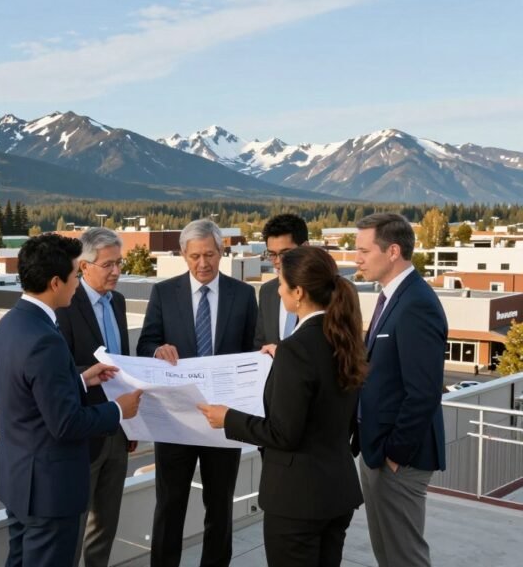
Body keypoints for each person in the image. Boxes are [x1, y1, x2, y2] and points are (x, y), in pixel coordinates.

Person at [198, 246, 367, 566]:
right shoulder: (343, 340)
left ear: (299, 292)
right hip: (337, 490)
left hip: (297, 500)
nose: (277, 289)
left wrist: (227, 418)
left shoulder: (297, 350)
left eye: (281, 282)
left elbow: (283, 433)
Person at [0, 233, 143, 567]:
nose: (78, 283)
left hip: (18, 482)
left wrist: (79, 379)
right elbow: (65, 423)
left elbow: (29, 393)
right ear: (56, 282)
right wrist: (119, 409)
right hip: (49, 491)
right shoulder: (46, 338)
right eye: (76, 275)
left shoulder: (10, 324)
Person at [136, 219, 258, 567]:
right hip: (176, 420)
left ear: (222, 252)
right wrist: (157, 351)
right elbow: (146, 342)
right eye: (194, 256)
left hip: (223, 422)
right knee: (169, 506)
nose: (202, 263)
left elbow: (252, 349)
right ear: (182, 255)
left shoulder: (243, 295)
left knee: (220, 508)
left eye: (209, 254)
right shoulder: (163, 292)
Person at [354, 213, 447, 567]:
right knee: (389, 555)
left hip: (398, 460)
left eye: (364, 250)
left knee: (404, 557)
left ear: (393, 251)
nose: (356, 259)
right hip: (379, 451)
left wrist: (395, 455)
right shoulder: (393, 298)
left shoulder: (416, 304)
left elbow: (423, 392)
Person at [55, 227, 135, 567]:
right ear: (84, 267)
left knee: (105, 525)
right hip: (84, 435)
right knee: (74, 530)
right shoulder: (64, 306)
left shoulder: (118, 301)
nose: (116, 271)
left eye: (119, 263)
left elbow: (123, 361)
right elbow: (61, 373)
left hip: (120, 429)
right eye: (108, 265)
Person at [254, 214, 308, 348]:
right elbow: (260, 345)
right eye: (272, 254)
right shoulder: (267, 292)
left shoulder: (333, 291)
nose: (278, 261)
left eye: (286, 253)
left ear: (306, 247)